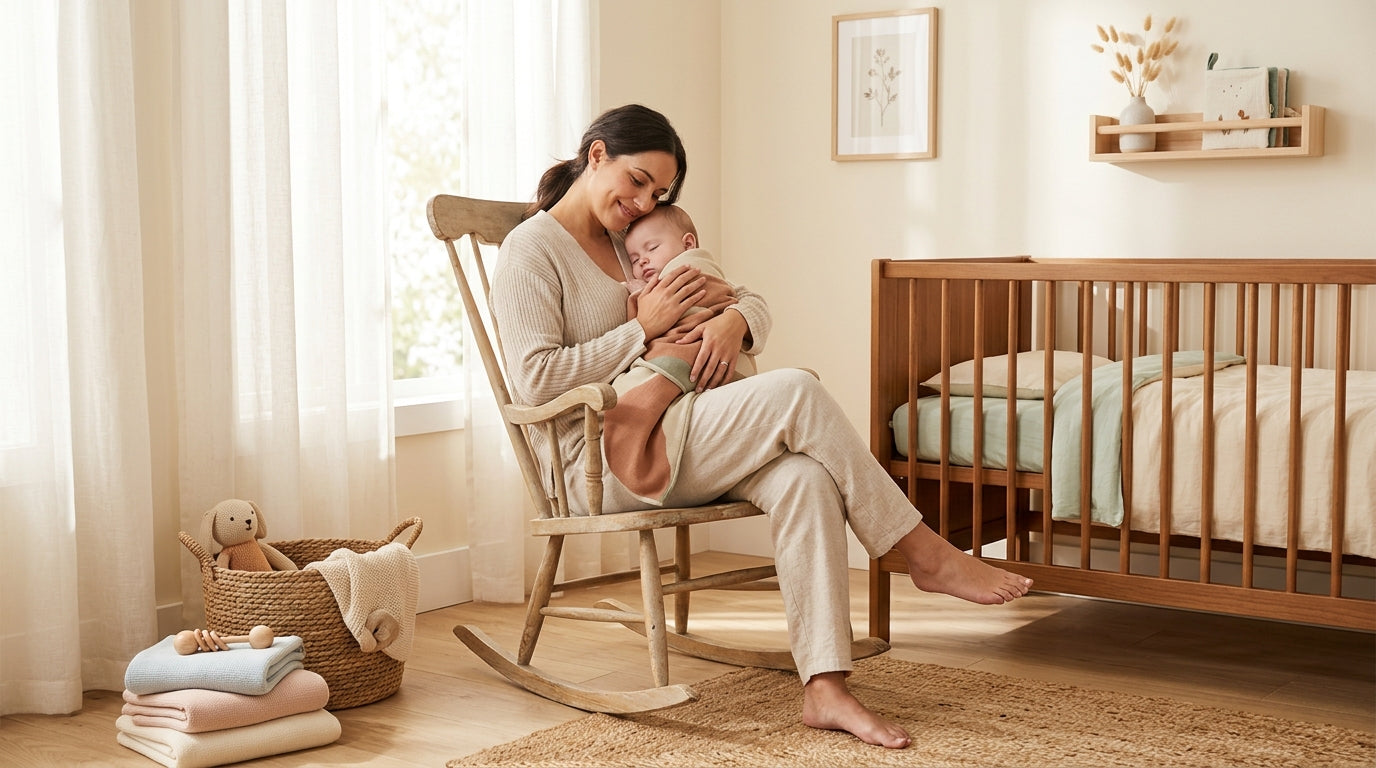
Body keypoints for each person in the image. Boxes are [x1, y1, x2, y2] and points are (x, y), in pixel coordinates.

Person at [489, 103, 1032, 750]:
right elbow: (536, 382)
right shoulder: (531, 250)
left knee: (804, 476)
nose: (642, 202)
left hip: (678, 423)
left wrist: (734, 323)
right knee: (798, 390)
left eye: (657, 193)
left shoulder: (628, 239)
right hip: (600, 459)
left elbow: (743, 296)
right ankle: (921, 550)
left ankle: (826, 686)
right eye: (635, 181)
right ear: (597, 154)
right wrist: (644, 327)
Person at [623, 203, 757, 377]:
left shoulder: (700, 272)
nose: (642, 261)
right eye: (634, 260)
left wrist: (736, 319)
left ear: (688, 244)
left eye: (653, 248)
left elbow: (751, 302)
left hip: (719, 355)